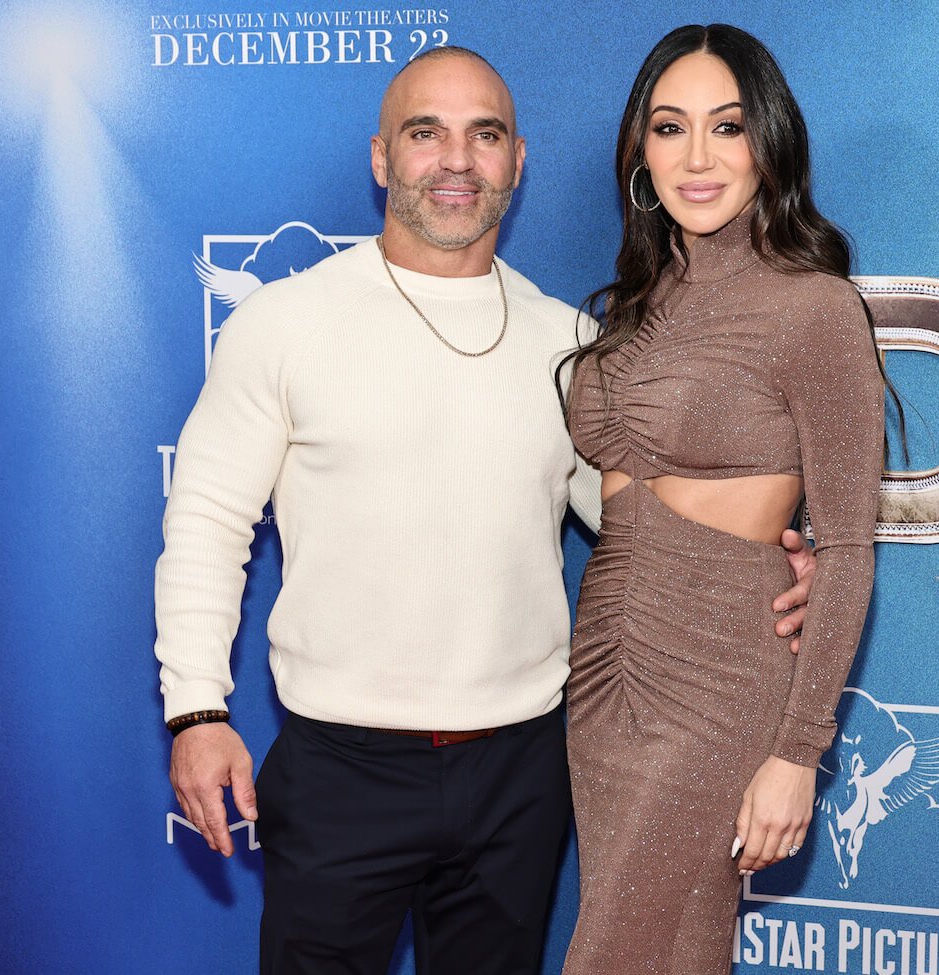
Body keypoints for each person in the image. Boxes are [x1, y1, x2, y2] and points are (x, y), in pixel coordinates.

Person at [156, 46, 817, 975]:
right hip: (341, 768)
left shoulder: (572, 344)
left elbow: (644, 522)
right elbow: (206, 522)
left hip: (524, 769)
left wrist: (765, 562)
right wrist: (196, 709)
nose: (457, 159)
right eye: (426, 133)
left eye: (486, 135)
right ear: (382, 157)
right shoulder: (283, 324)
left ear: (518, 160)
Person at [562, 24, 889, 975]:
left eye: (728, 126)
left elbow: (848, 548)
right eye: (670, 127)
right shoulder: (632, 308)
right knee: (677, 946)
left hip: (721, 675)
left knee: (612, 953)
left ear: (768, 143)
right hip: (604, 667)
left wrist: (799, 752)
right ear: (641, 151)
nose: (697, 157)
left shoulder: (814, 308)